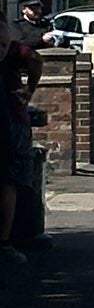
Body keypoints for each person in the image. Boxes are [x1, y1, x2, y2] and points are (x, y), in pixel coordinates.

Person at [0, 17, 43, 268]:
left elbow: (34, 59)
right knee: (9, 179)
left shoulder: (17, 52)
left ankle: (5, 242)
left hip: (11, 121)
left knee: (8, 178)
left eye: (3, 45)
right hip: (13, 118)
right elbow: (35, 60)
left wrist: (28, 91)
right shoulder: (16, 51)